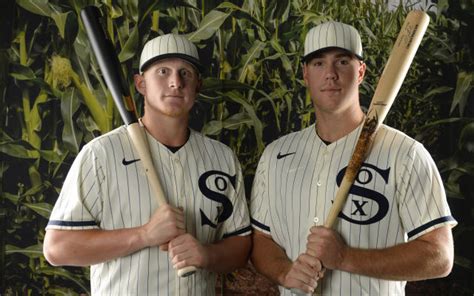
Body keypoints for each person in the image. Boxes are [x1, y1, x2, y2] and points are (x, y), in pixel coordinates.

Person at [250, 21, 457, 295]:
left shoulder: (405, 153)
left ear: (360, 71)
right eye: (318, 63)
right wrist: (284, 272)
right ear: (305, 74)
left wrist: (345, 257)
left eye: (342, 61)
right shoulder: (276, 155)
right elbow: (261, 240)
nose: (330, 74)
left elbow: (440, 256)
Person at [43, 33, 251, 295]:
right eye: (163, 71)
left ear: (197, 85)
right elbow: (57, 248)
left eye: (185, 73)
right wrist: (144, 234)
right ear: (140, 84)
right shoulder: (100, 155)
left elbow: (240, 245)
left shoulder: (222, 157)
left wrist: (207, 255)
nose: (175, 82)